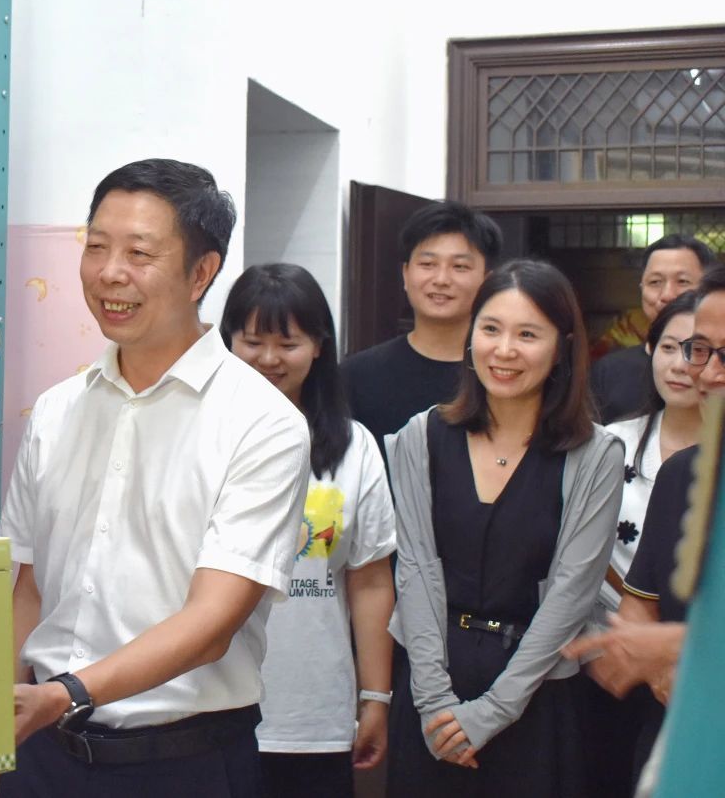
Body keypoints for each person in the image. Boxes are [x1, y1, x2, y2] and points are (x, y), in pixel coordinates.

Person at [0, 159, 310, 797]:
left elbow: (211, 624)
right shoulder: (56, 411)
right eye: (96, 247)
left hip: (182, 762)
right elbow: (27, 590)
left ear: (201, 273)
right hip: (43, 757)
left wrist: (65, 694)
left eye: (139, 253)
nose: (111, 273)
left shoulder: (263, 423)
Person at [385, 259, 624, 798]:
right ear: (471, 336)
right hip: (432, 692)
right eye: (491, 329)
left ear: (562, 348)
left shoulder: (596, 454)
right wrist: (435, 704)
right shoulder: (421, 435)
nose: (505, 350)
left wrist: (492, 712)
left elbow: (571, 594)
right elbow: (416, 570)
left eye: (528, 335)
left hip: (536, 693)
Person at [221, 263, 395, 798]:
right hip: (206, 708)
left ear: (319, 346)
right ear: (227, 340)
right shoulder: (199, 436)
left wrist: (376, 697)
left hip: (313, 712)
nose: (269, 359)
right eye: (252, 342)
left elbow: (370, 581)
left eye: (288, 343)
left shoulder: (354, 447)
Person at [564, 265, 725, 793]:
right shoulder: (684, 474)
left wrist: (684, 649)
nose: (707, 373)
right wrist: (650, 662)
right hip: (682, 736)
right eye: (699, 350)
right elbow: (640, 605)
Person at [580, 291, 698, 797]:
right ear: (648, 348)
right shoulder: (607, 444)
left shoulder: (700, 466)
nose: (684, 365)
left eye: (702, 350)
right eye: (670, 347)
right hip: (615, 656)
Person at [342, 201, 503, 462]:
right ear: (406, 274)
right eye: (428, 264)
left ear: (487, 280)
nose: (441, 279)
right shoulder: (355, 376)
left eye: (460, 267)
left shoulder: (502, 373)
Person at [590, 235, 713, 424]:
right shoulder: (607, 371)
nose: (667, 295)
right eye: (655, 282)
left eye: (682, 281)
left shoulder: (717, 367)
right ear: (641, 288)